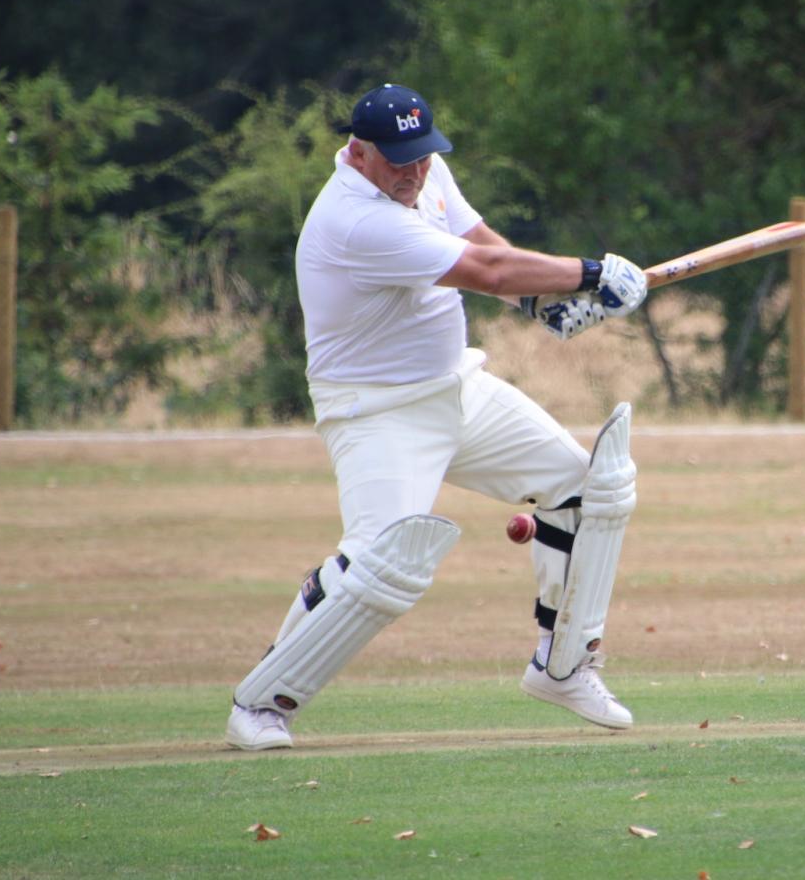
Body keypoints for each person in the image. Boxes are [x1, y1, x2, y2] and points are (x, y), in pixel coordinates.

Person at [224, 83, 649, 750]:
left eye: (421, 157)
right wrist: (590, 272)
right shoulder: (355, 219)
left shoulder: (422, 171)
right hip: (377, 411)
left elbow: (477, 237)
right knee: (381, 566)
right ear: (358, 153)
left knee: (589, 491)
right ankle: (260, 702)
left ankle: (563, 666)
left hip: (456, 388)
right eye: (398, 162)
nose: (413, 173)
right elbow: (487, 269)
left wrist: (541, 304)